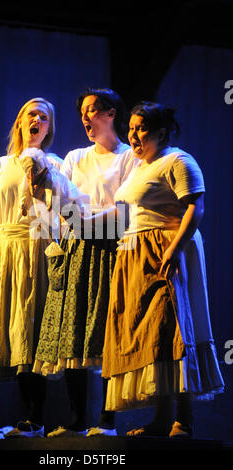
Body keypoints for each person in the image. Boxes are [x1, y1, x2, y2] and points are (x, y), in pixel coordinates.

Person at [99, 101, 224, 437]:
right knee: (153, 336)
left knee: (172, 330)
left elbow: (194, 208)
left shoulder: (178, 160)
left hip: (164, 253)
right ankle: (160, 418)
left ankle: (183, 419)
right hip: (134, 256)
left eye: (142, 129)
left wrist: (173, 250)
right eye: (132, 128)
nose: (134, 135)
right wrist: (74, 221)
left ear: (161, 132)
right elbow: (122, 216)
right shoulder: (138, 169)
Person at [33, 88, 140, 437]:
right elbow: (60, 201)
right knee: (73, 333)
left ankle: (108, 420)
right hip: (77, 250)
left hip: (112, 251)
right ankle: (79, 418)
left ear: (110, 114)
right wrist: (73, 219)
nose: (85, 117)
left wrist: (84, 220)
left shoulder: (128, 159)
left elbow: (125, 211)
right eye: (82, 111)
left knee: (107, 332)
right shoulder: (75, 157)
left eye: (92, 110)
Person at [0, 97, 67, 439]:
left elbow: (65, 211)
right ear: (20, 122)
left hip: (42, 247)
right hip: (9, 250)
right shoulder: (1, 165)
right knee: (14, 330)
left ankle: (36, 416)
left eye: (44, 117)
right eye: (32, 114)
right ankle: (28, 416)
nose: (38, 120)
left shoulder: (57, 164)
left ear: (49, 128)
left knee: (37, 329)